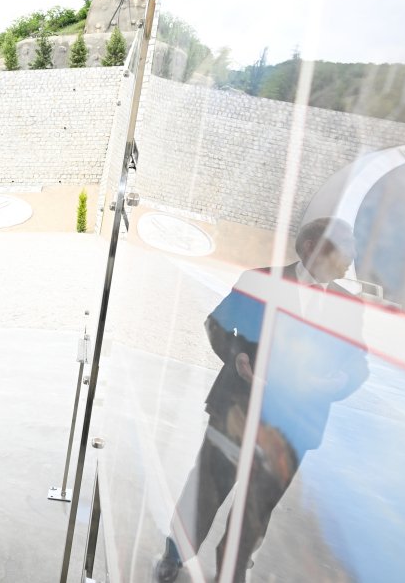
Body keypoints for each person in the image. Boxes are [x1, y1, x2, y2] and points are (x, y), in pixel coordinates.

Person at [154, 218, 369, 583]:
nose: (350, 260)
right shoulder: (259, 281)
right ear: (311, 247)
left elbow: (357, 363)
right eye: (344, 250)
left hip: (294, 427)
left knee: (258, 506)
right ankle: (174, 555)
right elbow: (217, 324)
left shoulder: (348, 306)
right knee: (207, 489)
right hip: (237, 410)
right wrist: (238, 356)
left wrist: (340, 380)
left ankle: (233, 569)